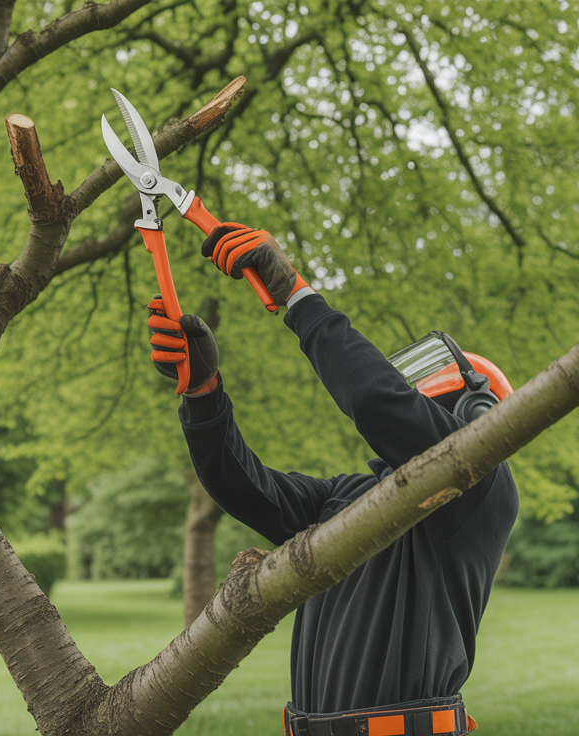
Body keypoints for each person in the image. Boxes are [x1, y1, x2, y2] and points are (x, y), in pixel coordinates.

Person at [148, 224, 518, 736]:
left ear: (481, 416)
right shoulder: (346, 497)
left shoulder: (483, 490)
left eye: (422, 407)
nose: (406, 412)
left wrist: (296, 296)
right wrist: (204, 393)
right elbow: (243, 486)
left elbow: (372, 399)